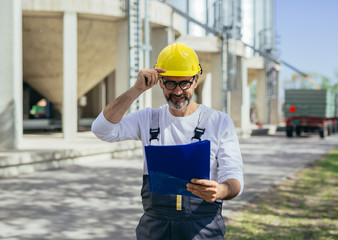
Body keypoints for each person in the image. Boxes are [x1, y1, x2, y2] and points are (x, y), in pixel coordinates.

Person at [91, 43, 244, 239]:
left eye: (184, 83)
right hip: (155, 230)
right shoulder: (148, 119)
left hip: (202, 230)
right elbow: (101, 130)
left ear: (196, 80)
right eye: (170, 83)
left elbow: (234, 177)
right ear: (160, 82)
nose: (178, 92)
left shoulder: (218, 122)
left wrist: (221, 190)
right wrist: (136, 89)